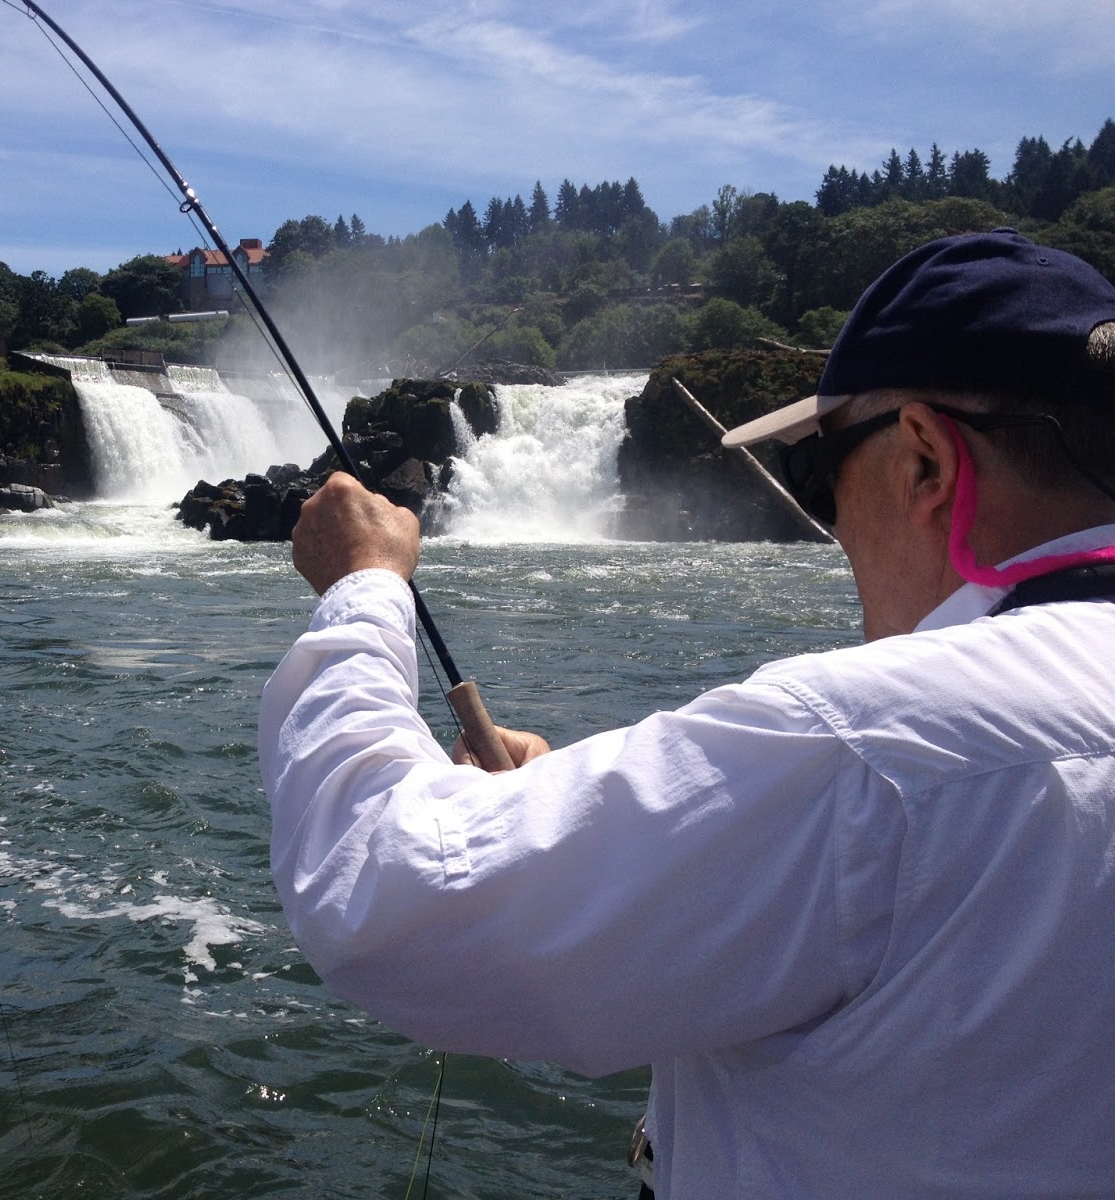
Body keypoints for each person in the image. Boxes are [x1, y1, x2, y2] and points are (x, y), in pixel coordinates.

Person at [259, 229, 1115, 1198]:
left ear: (923, 460)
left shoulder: (866, 744)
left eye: (818, 472)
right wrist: (559, 804)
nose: (830, 527)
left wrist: (364, 592)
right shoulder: (868, 763)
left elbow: (388, 897)